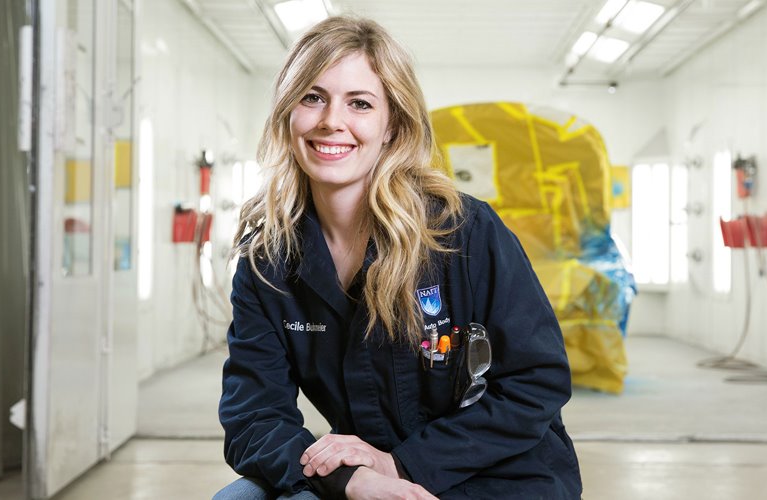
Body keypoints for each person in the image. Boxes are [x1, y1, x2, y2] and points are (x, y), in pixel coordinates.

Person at [215, 16, 582, 500]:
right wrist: (353, 480)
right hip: (365, 474)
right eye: (312, 97)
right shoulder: (269, 262)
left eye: (360, 104)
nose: (331, 120)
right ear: (289, 113)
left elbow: (536, 382)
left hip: (495, 475)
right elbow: (254, 417)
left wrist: (403, 466)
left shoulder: (463, 231)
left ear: (392, 127)